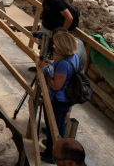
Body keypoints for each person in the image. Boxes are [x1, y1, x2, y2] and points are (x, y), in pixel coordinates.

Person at [39, 32, 80, 164]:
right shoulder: (74, 57)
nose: (54, 46)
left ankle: (51, 153)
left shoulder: (63, 64)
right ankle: (57, 146)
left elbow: (56, 85)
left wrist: (45, 72)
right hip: (66, 100)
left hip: (57, 99)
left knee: (52, 127)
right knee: (60, 124)